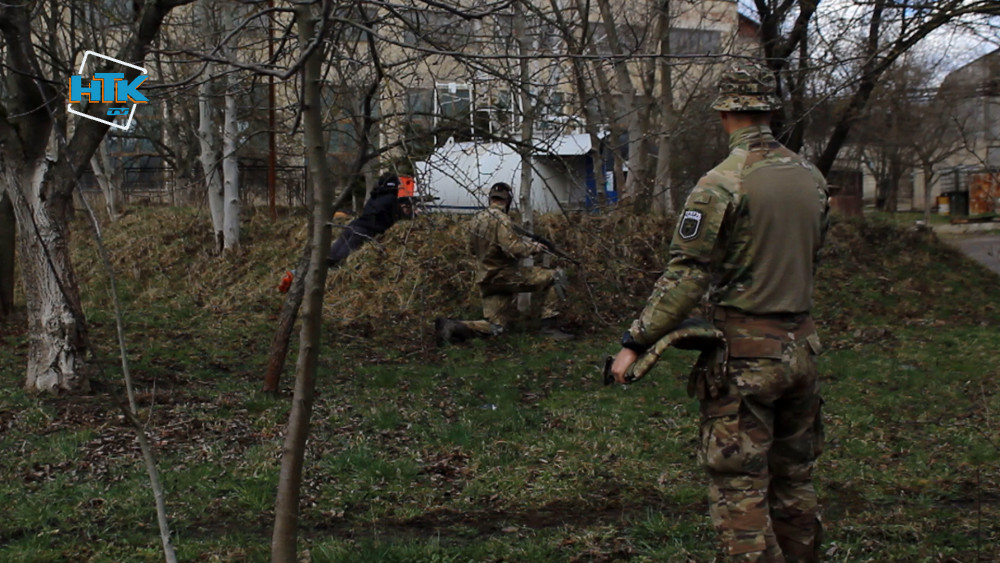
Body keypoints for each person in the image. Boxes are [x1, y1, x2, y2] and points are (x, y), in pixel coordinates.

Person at [608, 60, 830, 562]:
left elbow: (687, 276)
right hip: (803, 350)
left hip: (748, 360)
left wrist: (635, 342)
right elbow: (812, 256)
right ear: (770, 111)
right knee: (795, 480)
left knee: (739, 488)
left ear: (725, 113)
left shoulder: (722, 181)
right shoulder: (812, 178)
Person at [435, 182, 569, 345]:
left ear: (490, 199)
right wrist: (533, 247)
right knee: (556, 276)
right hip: (504, 276)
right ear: (508, 200)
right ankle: (549, 328)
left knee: (496, 327)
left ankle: (453, 326)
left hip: (487, 279)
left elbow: (472, 249)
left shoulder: (477, 219)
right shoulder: (502, 219)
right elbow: (512, 248)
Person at [327, 172, 412, 268]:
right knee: (344, 254)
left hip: (354, 224)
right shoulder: (392, 199)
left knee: (334, 250)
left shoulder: (374, 197)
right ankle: (335, 267)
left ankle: (326, 266)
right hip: (366, 229)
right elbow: (400, 217)